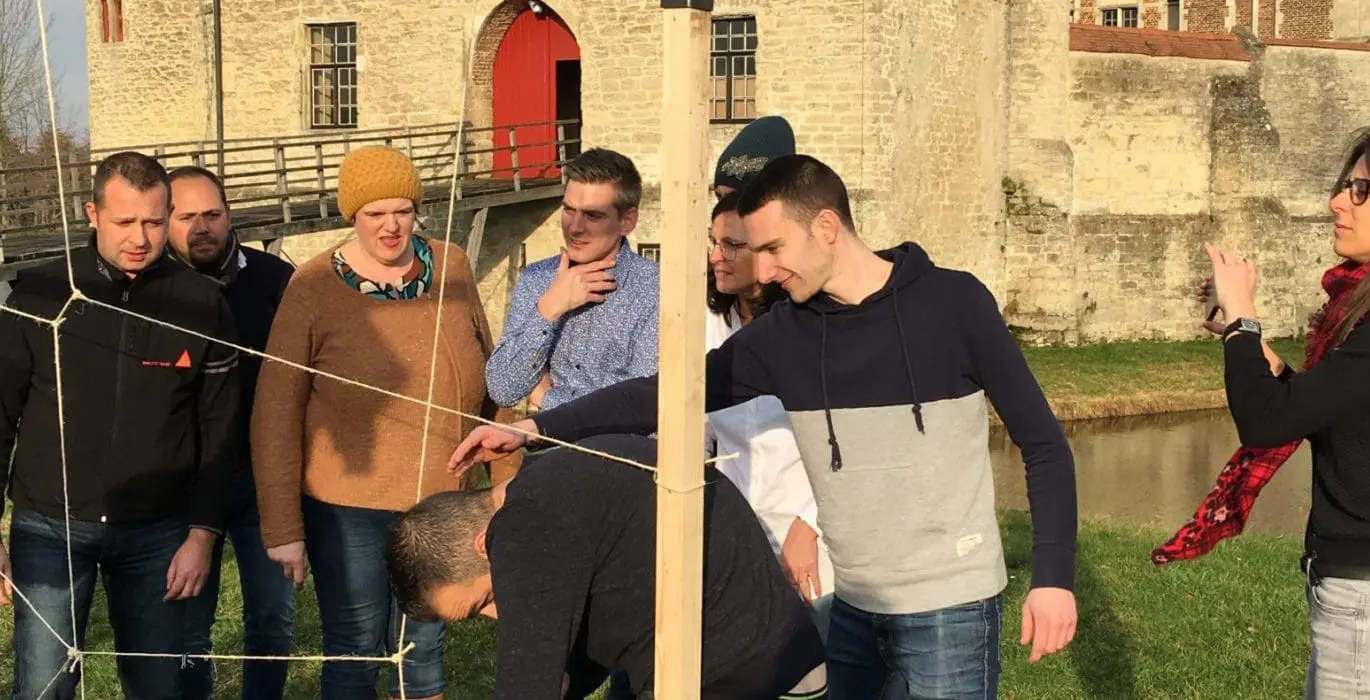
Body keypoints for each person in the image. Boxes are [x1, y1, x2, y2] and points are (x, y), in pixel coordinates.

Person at [448, 154, 1081, 699]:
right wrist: (538, 427)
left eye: (775, 249)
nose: (767, 271)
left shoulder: (954, 304)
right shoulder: (787, 335)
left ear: (826, 227)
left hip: (948, 605)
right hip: (853, 605)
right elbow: (669, 396)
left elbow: (1044, 446)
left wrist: (1052, 579)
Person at [1153, 127, 1370, 699]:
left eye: (1362, 190)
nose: (1337, 202)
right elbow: (1330, 420)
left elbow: (1267, 424)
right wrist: (1256, 352)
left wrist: (1244, 315)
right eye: (1346, 185)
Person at [0, 151, 243, 700]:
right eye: (124, 221)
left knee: (157, 687)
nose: (140, 237)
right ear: (92, 214)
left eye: (154, 222)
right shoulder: (40, 294)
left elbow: (220, 430)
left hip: (158, 531)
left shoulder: (201, 303)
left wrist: (203, 533)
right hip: (50, 525)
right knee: (43, 686)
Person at [250, 145, 514, 700]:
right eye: (375, 213)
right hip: (348, 509)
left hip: (441, 499)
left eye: (402, 210)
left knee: (423, 647)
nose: (391, 226)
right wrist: (283, 528)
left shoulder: (452, 265)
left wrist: (507, 486)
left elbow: (496, 374)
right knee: (356, 646)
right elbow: (275, 409)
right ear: (353, 215)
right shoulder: (313, 286)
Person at [387, 434, 827, 700]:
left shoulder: (522, 528)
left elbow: (527, 686)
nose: (497, 615)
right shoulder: (550, 491)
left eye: (484, 600)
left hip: (746, 673)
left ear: (484, 543)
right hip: (766, 656)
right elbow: (594, 634)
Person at [164, 165, 298, 700]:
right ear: (165, 220)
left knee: (271, 619)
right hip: (184, 482)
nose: (202, 227)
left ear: (229, 214)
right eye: (186, 217)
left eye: (212, 214)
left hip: (263, 478)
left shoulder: (275, 280)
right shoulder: (150, 288)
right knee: (187, 624)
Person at [703, 191, 834, 637]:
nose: (716, 257)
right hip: (734, 535)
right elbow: (694, 428)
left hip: (811, 538)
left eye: (732, 246)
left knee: (820, 654)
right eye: (713, 242)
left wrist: (810, 524)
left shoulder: (812, 329)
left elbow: (848, 440)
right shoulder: (706, 325)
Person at [484, 148, 660, 415]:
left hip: (618, 443)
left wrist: (548, 398)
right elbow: (502, 389)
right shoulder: (537, 278)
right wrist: (548, 310)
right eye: (568, 210)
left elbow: (641, 408)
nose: (575, 227)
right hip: (542, 442)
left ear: (627, 221)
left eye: (593, 215)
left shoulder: (654, 289)